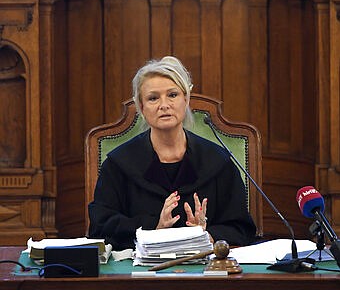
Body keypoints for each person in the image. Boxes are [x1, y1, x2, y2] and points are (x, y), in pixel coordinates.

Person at [88, 56, 256, 250]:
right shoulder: (118, 164)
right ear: (141, 107)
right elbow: (100, 228)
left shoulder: (218, 161)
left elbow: (242, 227)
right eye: (153, 98)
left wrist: (206, 235)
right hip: (141, 275)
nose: (164, 105)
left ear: (186, 100)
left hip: (205, 271)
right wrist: (153, 228)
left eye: (173, 95)